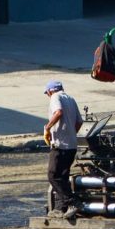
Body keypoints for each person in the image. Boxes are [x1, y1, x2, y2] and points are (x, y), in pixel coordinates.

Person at [43, 80, 83, 220]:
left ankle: (73, 202)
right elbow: (79, 122)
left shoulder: (55, 97)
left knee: (53, 175)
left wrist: (48, 127)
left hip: (60, 145)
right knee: (63, 177)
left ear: (50, 91)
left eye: (47, 93)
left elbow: (58, 112)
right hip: (72, 145)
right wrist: (71, 133)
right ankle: (60, 209)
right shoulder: (71, 99)